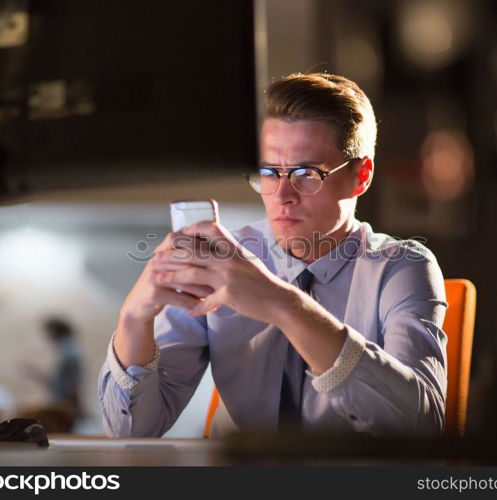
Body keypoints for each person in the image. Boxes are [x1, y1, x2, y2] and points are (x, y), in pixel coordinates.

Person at [98, 73, 447, 437]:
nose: (282, 195)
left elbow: (421, 428)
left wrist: (285, 305)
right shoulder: (222, 263)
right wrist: (133, 319)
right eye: (268, 172)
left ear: (361, 176)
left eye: (306, 173)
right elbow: (131, 430)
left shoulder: (401, 266)